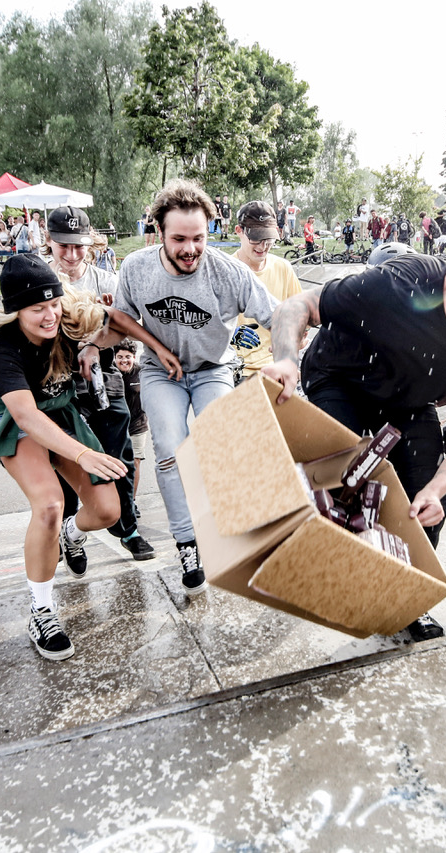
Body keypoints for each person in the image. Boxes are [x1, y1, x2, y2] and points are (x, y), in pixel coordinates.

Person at [262, 223, 446, 641]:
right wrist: (286, 359)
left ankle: (402, 596)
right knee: (347, 473)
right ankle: (317, 553)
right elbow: (295, 306)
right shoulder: (401, 283)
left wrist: (435, 489)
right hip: (341, 376)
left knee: (425, 496)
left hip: (406, 399)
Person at [0, 256, 178, 660]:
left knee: (108, 511)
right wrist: (82, 453)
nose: (50, 315)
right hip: (21, 424)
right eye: (37, 309)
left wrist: (118, 346)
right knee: (49, 505)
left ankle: (72, 533)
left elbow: (119, 321)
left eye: (53, 304)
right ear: (18, 310)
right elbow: (26, 415)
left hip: (63, 414)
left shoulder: (68, 318)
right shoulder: (7, 345)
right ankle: (41, 609)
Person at [77, 179, 280, 596]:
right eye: (180, 239)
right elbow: (120, 325)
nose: (191, 248)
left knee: (216, 440)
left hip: (213, 368)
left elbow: (278, 316)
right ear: (159, 234)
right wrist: (92, 345)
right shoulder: (137, 267)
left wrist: (298, 354)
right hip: (159, 373)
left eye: (199, 238)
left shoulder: (229, 272)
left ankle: (235, 525)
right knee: (169, 448)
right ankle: (187, 544)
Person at [44, 205, 157, 564]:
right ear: (50, 242)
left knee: (119, 451)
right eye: (64, 246)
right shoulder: (41, 279)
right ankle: (68, 530)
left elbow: (129, 328)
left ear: (91, 244)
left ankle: (128, 527)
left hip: (103, 376)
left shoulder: (107, 281)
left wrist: (109, 318)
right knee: (65, 456)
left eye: (79, 246)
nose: (72, 254)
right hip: (56, 377)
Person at [233, 201, 302, 379]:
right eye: (256, 238)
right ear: (239, 231)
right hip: (235, 370)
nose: (263, 246)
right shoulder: (226, 272)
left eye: (268, 239)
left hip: (275, 367)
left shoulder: (283, 268)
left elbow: (300, 318)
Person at [114, 340, 148, 495]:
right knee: (116, 465)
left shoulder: (142, 372)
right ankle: (118, 501)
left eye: (127, 356)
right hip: (115, 427)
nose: (124, 360)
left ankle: (132, 502)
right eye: (120, 357)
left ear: (134, 357)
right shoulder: (109, 373)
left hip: (137, 425)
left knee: (134, 463)